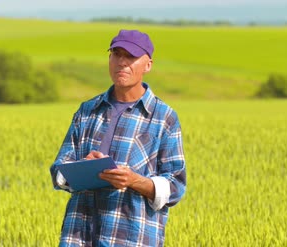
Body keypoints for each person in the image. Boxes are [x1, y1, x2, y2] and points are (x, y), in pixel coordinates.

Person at [49, 29, 186, 247]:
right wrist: (81, 168)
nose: (121, 62)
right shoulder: (87, 111)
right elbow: (58, 171)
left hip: (131, 238)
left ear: (148, 65)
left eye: (130, 56)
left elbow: (176, 187)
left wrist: (134, 181)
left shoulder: (163, 117)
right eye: (116, 54)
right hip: (79, 236)